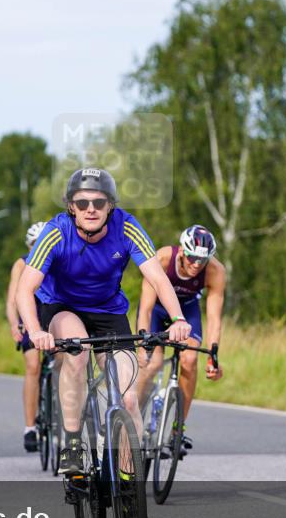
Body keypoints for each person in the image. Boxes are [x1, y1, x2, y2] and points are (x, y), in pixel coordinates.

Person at [16, 168, 191, 476]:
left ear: (111, 204)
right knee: (78, 351)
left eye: (99, 202)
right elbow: (24, 289)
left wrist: (178, 318)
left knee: (128, 398)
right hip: (62, 306)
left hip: (108, 311)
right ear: (71, 206)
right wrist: (35, 330)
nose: (91, 209)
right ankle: (72, 442)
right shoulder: (56, 232)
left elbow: (158, 279)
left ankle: (128, 478)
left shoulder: (127, 227)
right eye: (82, 203)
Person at [134, 225, 226, 454]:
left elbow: (214, 317)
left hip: (187, 311)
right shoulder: (163, 259)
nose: (197, 264)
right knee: (151, 364)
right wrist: (142, 344)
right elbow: (145, 308)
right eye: (193, 257)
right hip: (157, 309)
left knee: (189, 360)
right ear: (183, 252)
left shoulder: (215, 271)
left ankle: (178, 429)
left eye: (202, 260)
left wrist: (213, 355)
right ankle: (131, 417)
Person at [5, 221, 47, 453]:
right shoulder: (21, 264)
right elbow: (12, 301)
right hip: (28, 314)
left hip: (51, 312)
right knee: (33, 365)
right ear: (29, 246)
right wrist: (14, 324)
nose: (39, 248)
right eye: (34, 244)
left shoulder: (56, 260)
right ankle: (30, 427)